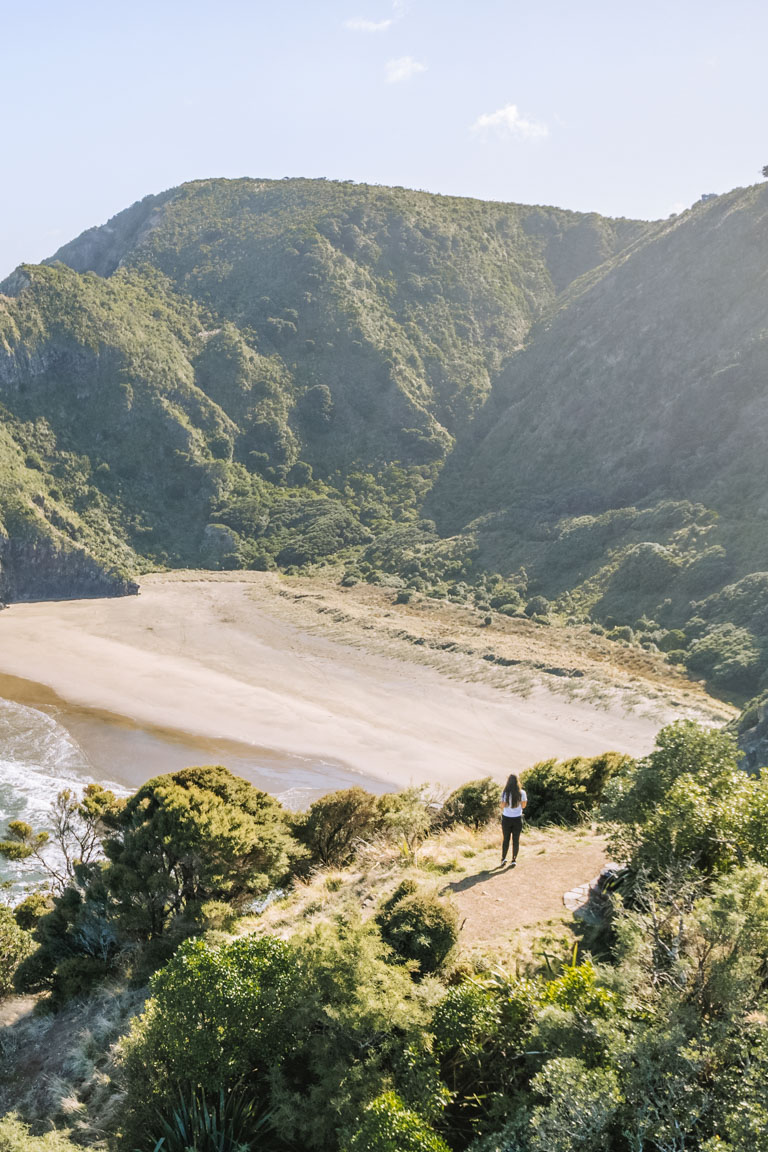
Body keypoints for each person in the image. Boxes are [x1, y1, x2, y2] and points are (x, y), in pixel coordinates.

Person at [500, 773, 527, 867]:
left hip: (506, 818)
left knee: (506, 839)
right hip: (517, 819)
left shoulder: (504, 793)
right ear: (517, 782)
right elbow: (524, 806)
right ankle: (514, 859)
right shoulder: (522, 793)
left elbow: (502, 806)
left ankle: (503, 859)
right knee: (516, 840)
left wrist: (507, 804)